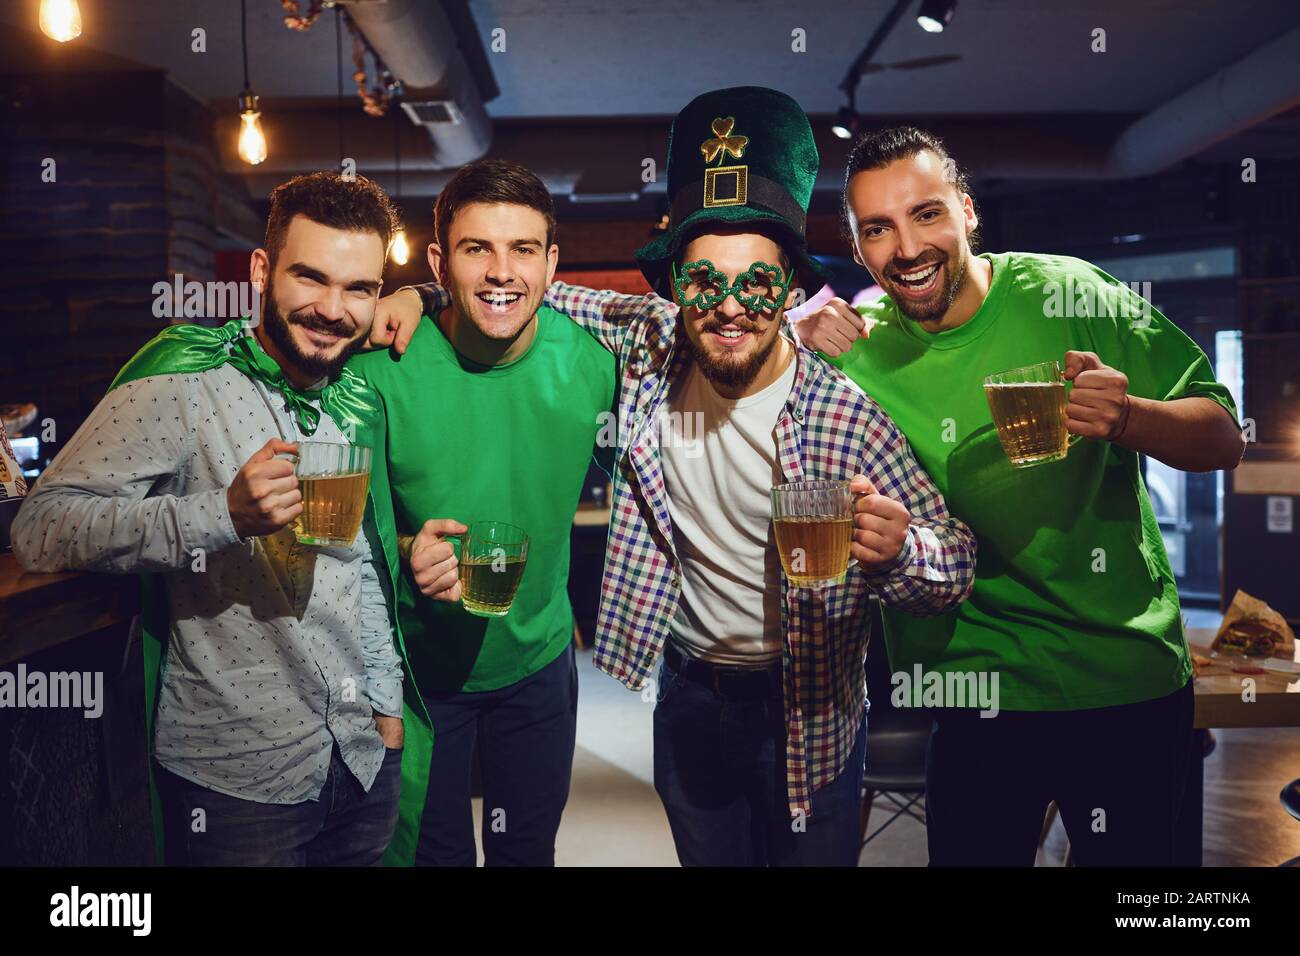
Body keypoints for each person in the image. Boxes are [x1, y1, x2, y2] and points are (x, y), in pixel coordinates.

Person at [380, 88, 976, 866]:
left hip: (813, 707)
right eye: (704, 282)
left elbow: (954, 559)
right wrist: (410, 294)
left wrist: (903, 550)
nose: (729, 308)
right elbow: (512, 287)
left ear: (790, 290)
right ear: (674, 290)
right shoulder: (648, 347)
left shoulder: (846, 415)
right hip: (690, 697)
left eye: (757, 285)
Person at [792, 126, 1245, 866]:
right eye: (878, 229)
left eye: (927, 213)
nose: (906, 248)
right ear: (856, 244)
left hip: (1118, 677)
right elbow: (737, 365)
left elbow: (1225, 437)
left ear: (968, 211)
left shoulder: (1069, 293)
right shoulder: (853, 347)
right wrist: (792, 328)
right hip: (969, 689)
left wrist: (1131, 418)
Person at [11, 172, 416, 866]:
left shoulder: (357, 396)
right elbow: (41, 526)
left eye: (359, 288)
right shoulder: (186, 379)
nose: (332, 308)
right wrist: (219, 514)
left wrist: (386, 706)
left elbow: (359, 564)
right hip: (236, 785)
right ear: (262, 269)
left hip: (357, 763)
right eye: (310, 278)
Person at [353, 159, 617, 866]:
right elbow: (338, 530)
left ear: (552, 261)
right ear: (440, 260)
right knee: (431, 859)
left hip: (538, 664)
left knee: (524, 854)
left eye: (523, 249)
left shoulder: (595, 363)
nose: (502, 272)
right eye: (477, 249)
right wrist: (408, 549)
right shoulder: (381, 367)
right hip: (421, 673)